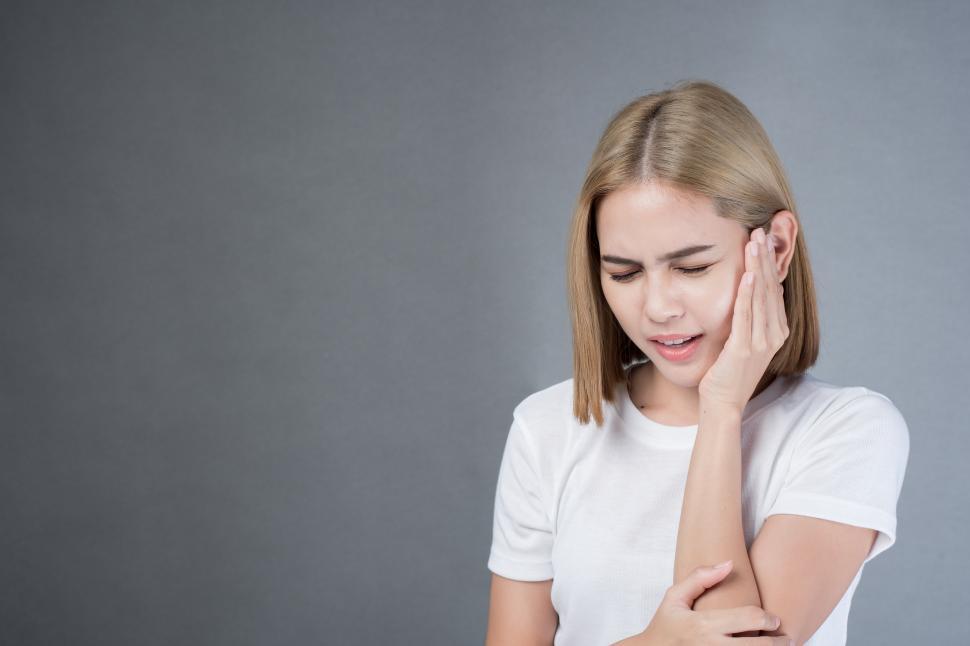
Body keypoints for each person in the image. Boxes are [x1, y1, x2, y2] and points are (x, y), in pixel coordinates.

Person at [484, 80, 910, 646]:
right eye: (624, 273)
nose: (658, 307)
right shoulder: (547, 429)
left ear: (776, 249)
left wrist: (722, 408)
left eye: (691, 268)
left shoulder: (846, 431)